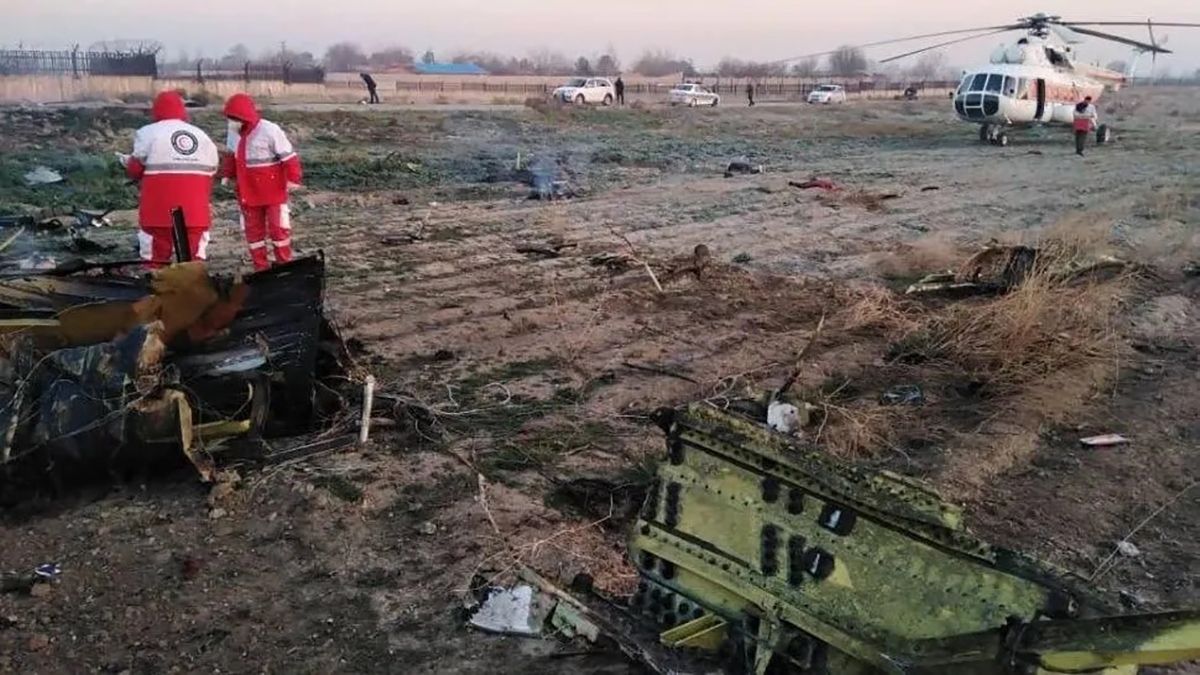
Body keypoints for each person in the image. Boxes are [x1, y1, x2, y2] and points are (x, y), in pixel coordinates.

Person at [120, 90, 219, 267]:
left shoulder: (147, 133)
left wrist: (129, 163)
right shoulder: (201, 136)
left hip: (159, 211)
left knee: (157, 261)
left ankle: (160, 290)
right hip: (195, 212)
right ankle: (193, 291)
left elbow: (135, 169)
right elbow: (212, 170)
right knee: (191, 263)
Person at [222, 93, 303, 271]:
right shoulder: (234, 133)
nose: (232, 122)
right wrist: (226, 174)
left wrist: (294, 178)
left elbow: (288, 156)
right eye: (230, 118)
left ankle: (283, 262)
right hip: (247, 191)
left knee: (278, 228)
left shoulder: (269, 130)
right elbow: (231, 155)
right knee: (253, 232)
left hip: (273, 190)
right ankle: (261, 267)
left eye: (235, 118)